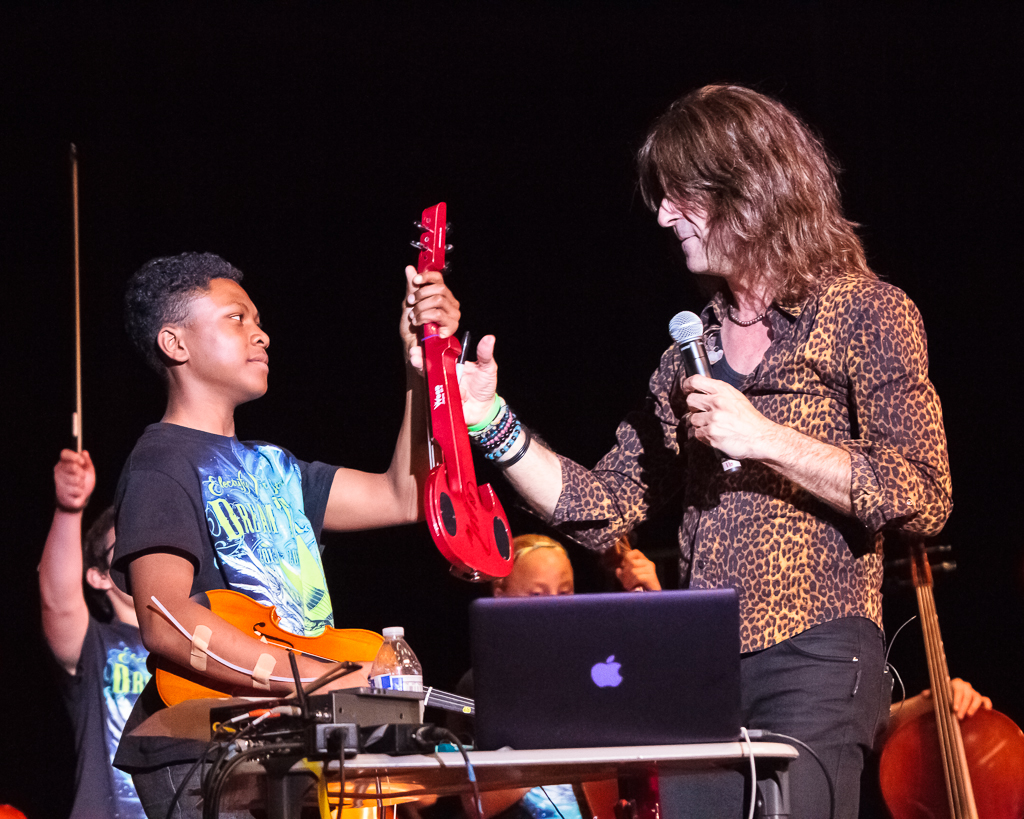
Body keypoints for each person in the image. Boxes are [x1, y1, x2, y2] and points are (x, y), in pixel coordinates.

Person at [458, 85, 952, 818]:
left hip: (818, 653)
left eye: (678, 194)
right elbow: (602, 505)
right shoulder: (685, 357)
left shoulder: (867, 311)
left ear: (749, 187)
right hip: (701, 665)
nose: (662, 215)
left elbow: (924, 491)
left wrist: (764, 437)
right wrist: (491, 422)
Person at [108, 252, 460, 818]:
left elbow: (405, 494)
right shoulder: (161, 462)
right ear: (176, 344)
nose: (262, 334)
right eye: (236, 319)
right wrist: (324, 681)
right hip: (206, 745)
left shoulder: (276, 466)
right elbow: (165, 620)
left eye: (258, 320)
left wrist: (419, 368)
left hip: (283, 735)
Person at [451, 535, 659, 819]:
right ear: (500, 594)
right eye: (537, 595)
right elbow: (476, 803)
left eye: (564, 593)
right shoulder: (479, 685)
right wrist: (558, 742)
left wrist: (653, 605)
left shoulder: (598, 674)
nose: (554, 607)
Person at [40, 449, 150, 819]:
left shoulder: (191, 647)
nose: (141, 555)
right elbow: (58, 600)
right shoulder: (96, 644)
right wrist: (69, 509)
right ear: (99, 575)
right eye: (125, 548)